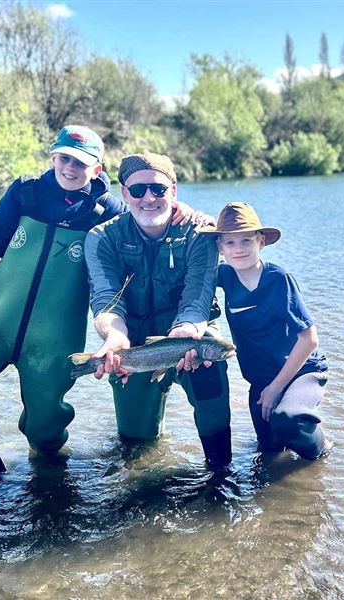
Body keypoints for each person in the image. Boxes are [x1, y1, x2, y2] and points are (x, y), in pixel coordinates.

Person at [0, 127, 199, 489]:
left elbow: (147, 212)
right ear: (53, 156)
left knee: (46, 426)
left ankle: (49, 487)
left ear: (97, 169)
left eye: (81, 163)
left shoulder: (107, 212)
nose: (70, 168)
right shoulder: (24, 193)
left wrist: (181, 209)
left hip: (54, 342)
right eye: (64, 158)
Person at [84, 152, 232, 470]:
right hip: (134, 344)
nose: (149, 198)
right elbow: (106, 301)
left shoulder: (200, 233)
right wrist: (114, 337)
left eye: (158, 189)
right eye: (138, 191)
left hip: (190, 333)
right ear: (124, 193)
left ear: (173, 191)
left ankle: (220, 471)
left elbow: (198, 295)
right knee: (136, 447)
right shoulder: (101, 238)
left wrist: (187, 329)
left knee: (210, 363)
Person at [199, 203, 331, 460]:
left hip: (302, 372)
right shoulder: (225, 276)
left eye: (246, 241)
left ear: (261, 242)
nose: (238, 249)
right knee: (269, 450)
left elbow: (309, 339)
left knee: (288, 421)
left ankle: (323, 447)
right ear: (219, 247)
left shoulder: (279, 279)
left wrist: (274, 389)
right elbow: (190, 272)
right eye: (230, 243)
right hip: (260, 380)